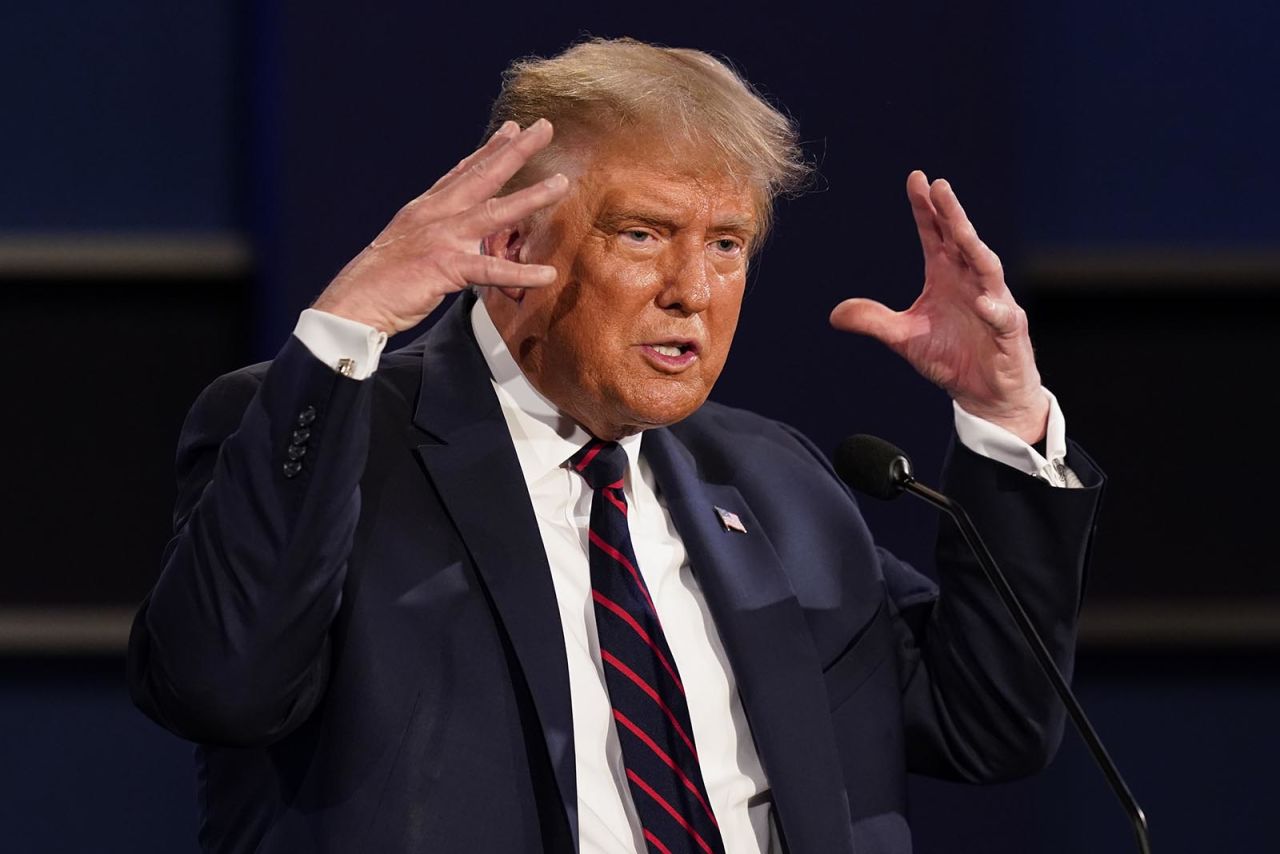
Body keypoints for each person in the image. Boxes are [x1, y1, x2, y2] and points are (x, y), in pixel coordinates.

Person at [128, 37, 1103, 854]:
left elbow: (992, 722)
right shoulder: (334, 436)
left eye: (726, 243)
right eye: (643, 234)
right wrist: (344, 325)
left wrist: (1003, 413)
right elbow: (217, 683)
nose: (693, 287)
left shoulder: (773, 481)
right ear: (511, 247)